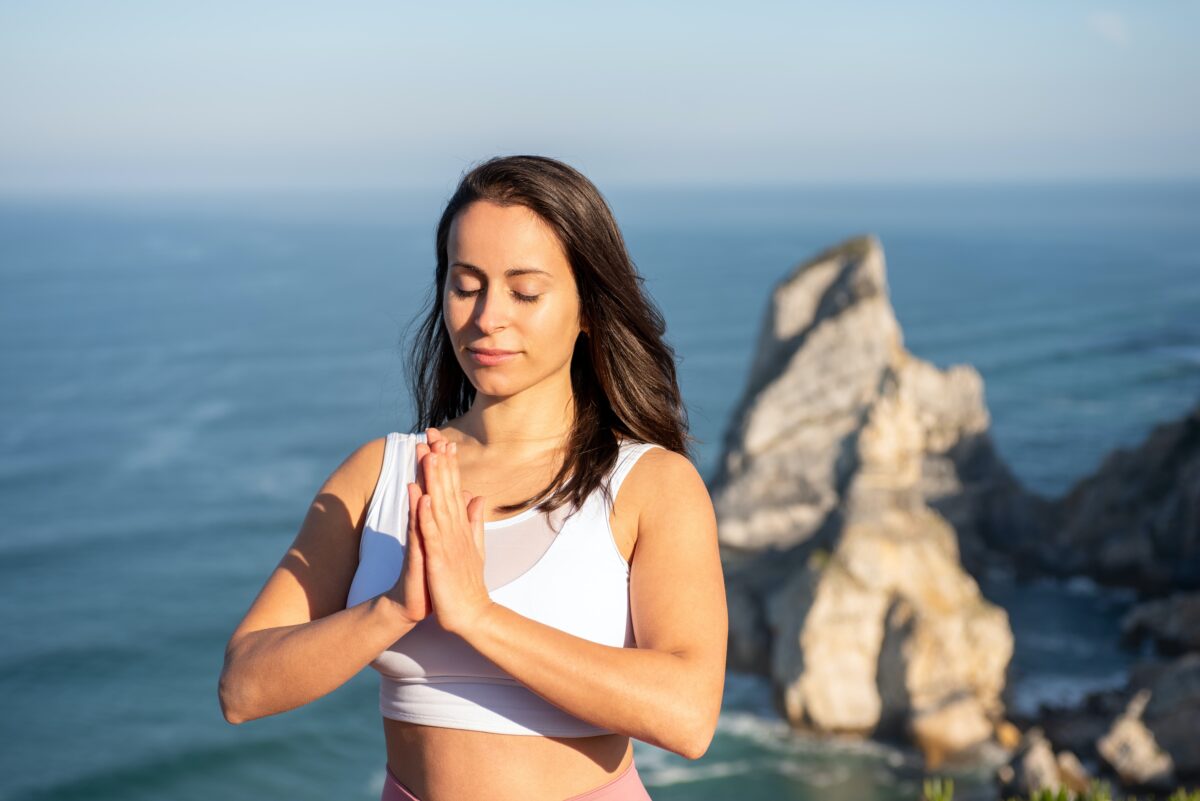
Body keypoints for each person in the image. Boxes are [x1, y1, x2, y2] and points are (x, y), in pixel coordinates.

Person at [218, 155, 728, 800]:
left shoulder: (650, 485)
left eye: (525, 291)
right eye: (466, 285)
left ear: (588, 309)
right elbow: (242, 688)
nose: (488, 317)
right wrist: (394, 609)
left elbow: (687, 717)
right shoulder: (382, 473)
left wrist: (478, 616)